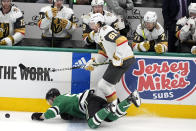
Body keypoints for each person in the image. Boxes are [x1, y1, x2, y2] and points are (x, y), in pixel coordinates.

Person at [84, 13, 136, 113]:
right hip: (123, 59)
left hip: (124, 59)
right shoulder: (97, 35)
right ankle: (116, 107)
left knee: (103, 85)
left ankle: (113, 108)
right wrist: (92, 62)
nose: (91, 27)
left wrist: (118, 56)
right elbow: (103, 54)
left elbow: (122, 40)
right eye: (90, 24)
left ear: (99, 24)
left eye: (92, 24)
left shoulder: (105, 30)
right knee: (107, 85)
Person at [31, 88, 141, 129]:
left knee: (92, 124)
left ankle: (108, 107)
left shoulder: (59, 99)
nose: (49, 104)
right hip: (94, 100)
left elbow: (52, 112)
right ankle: (130, 99)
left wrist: (40, 116)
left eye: (49, 101)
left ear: (54, 97)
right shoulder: (66, 98)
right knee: (111, 118)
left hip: (89, 101)